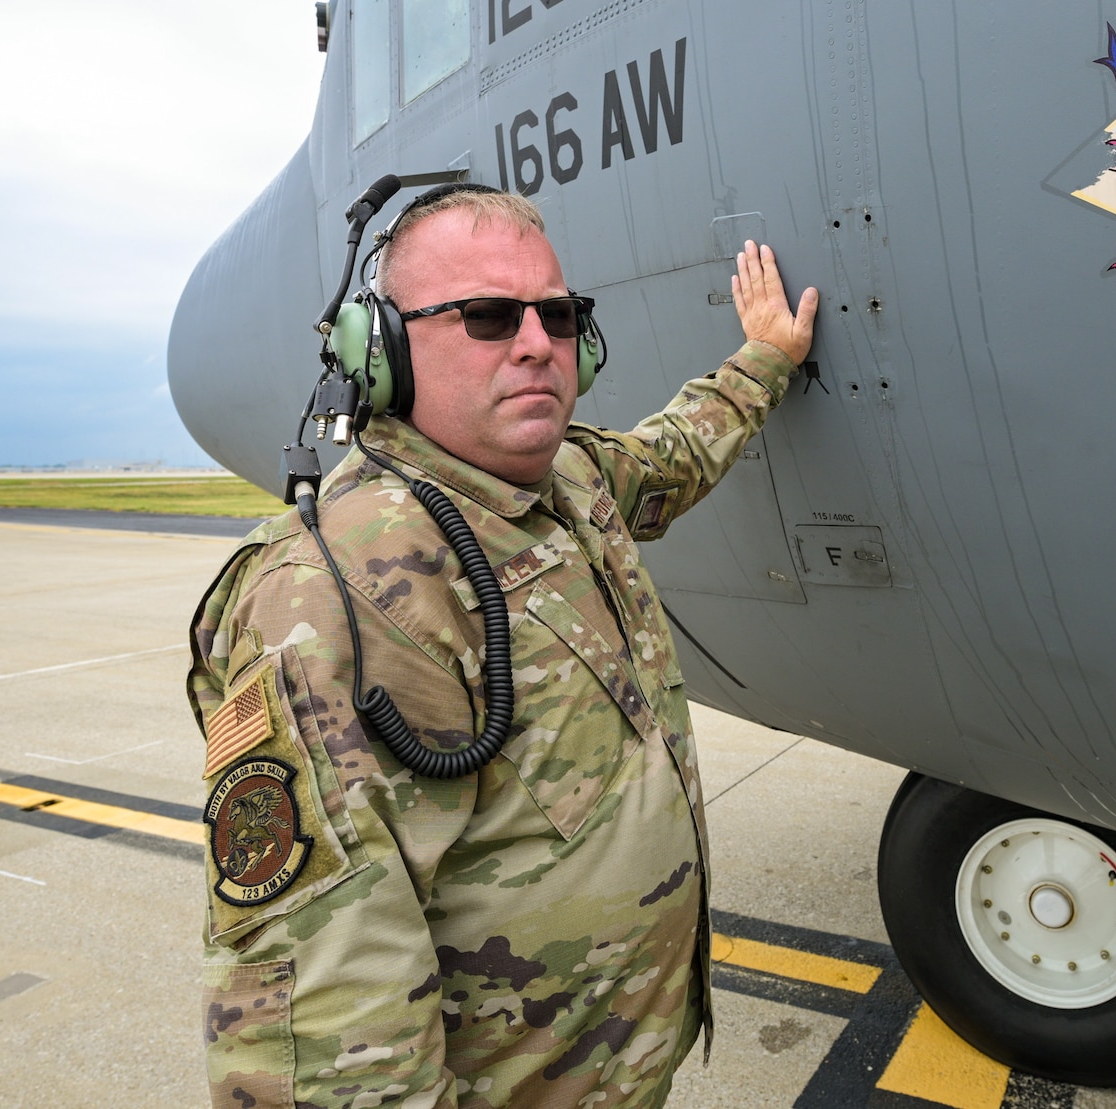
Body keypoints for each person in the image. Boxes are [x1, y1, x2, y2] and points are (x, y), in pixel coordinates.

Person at [186, 185, 818, 1108]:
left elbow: (677, 453)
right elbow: (327, 1045)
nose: (535, 343)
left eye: (556, 315)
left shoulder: (569, 479)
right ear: (384, 351)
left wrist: (767, 356)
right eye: (485, 316)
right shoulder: (337, 598)